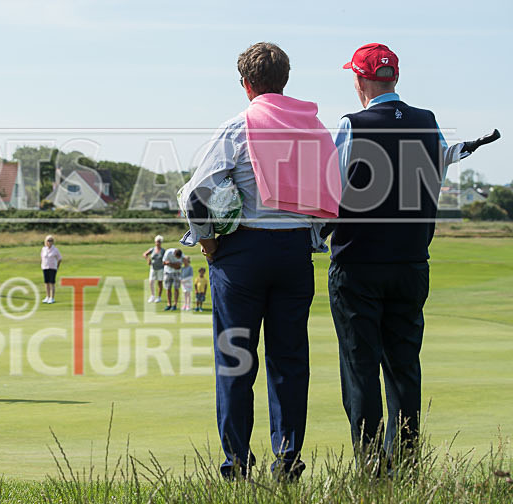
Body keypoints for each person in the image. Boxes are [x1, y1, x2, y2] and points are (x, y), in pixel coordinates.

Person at [178, 42, 340, 480]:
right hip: (293, 255)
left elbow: (196, 195)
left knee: (236, 361)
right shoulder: (314, 127)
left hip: (242, 256)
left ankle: (237, 465)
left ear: (246, 84)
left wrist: (208, 244)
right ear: (284, 80)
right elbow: (330, 196)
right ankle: (286, 461)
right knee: (289, 361)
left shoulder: (238, 126)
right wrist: (313, 238)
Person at [327, 43, 484, 469]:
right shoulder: (428, 122)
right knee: (403, 368)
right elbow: (433, 178)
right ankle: (408, 466)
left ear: (359, 80)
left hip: (357, 266)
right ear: (394, 78)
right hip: (412, 263)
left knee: (361, 369)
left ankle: (373, 468)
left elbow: (329, 194)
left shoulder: (351, 125)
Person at [142, 235, 165, 303]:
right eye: (157, 241)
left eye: (159, 242)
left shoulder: (163, 250)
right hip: (153, 268)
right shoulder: (152, 249)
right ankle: (152, 296)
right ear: (155, 242)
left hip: (160, 268)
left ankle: (159, 297)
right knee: (151, 281)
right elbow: (145, 254)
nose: (158, 243)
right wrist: (148, 259)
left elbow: (165, 259)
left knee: (160, 282)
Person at [40, 235, 62, 304]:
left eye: (51, 240)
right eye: (48, 240)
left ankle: (52, 298)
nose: (49, 242)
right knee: (46, 283)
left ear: (53, 242)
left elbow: (60, 258)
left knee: (52, 283)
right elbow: (42, 257)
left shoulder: (55, 250)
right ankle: (47, 297)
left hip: (52, 268)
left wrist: (57, 266)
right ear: (46, 241)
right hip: (45, 267)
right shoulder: (43, 249)